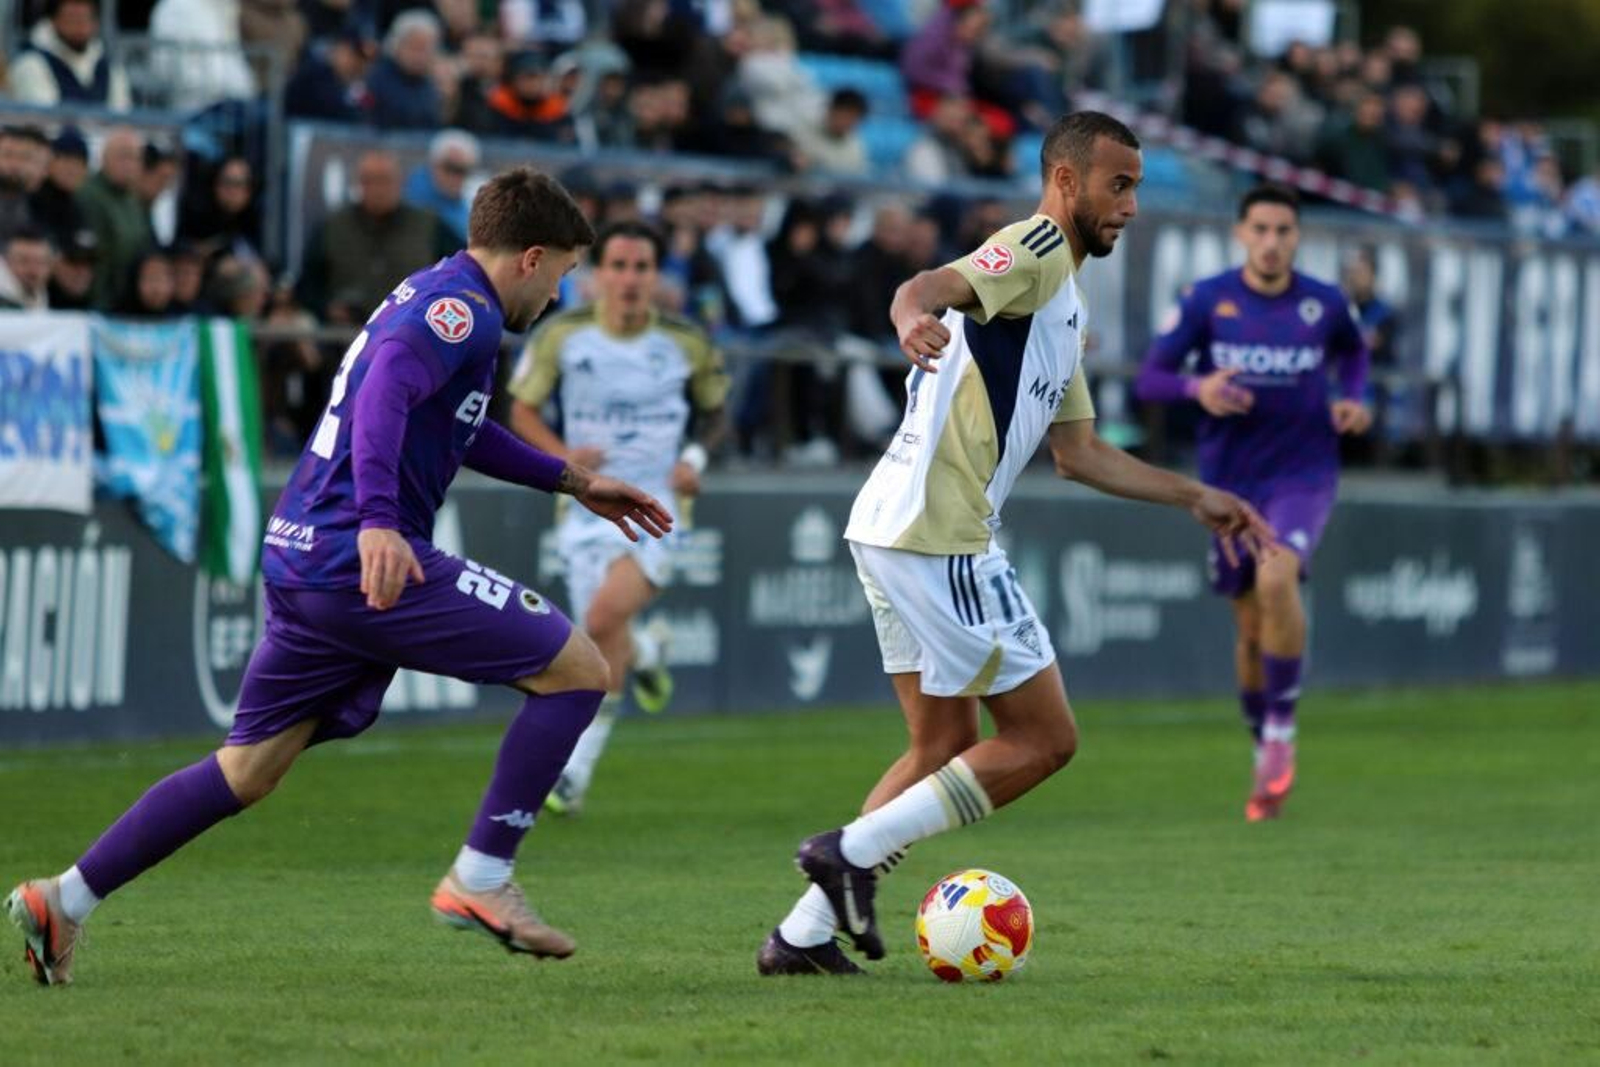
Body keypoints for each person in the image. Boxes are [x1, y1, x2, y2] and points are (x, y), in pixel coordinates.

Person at [6, 167, 676, 986]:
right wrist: (382, 523)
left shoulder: (437, 295)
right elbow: (388, 387)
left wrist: (570, 478)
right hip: (351, 556)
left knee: (246, 770)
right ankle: (483, 876)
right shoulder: (456, 313)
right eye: (564, 273)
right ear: (531, 257)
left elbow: (458, 427)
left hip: (303, 554)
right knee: (578, 670)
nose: (560, 292)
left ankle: (62, 899)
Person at [756, 112, 1274, 976]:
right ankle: (847, 853)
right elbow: (925, 284)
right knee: (1045, 738)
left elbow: (1080, 454)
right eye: (1119, 185)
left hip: (890, 525)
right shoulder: (1034, 245)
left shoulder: (1060, 303)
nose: (1132, 206)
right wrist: (907, 314)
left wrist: (1196, 495)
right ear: (1067, 181)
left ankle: (801, 936)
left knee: (942, 743)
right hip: (939, 531)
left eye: (1138, 187)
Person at [1135, 184, 1370, 823]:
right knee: (1248, 630)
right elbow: (1149, 378)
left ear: (1298, 238)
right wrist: (1197, 385)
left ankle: (1281, 731)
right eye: (1261, 229)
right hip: (1229, 481)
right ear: (1241, 233)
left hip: (1304, 473)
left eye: (1283, 231)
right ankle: (1262, 748)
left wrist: (1357, 398)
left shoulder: (1324, 304)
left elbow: (1354, 356)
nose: (1271, 242)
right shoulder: (1209, 300)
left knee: (1278, 572)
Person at [506, 220, 728, 814]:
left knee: (603, 620)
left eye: (642, 267)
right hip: (583, 506)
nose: (630, 279)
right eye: (620, 266)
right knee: (605, 642)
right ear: (598, 273)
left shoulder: (685, 342)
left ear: (657, 275)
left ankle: (574, 773)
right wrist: (561, 455)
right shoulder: (562, 336)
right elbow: (521, 409)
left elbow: (716, 414)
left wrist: (694, 458)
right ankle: (650, 655)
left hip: (656, 505)